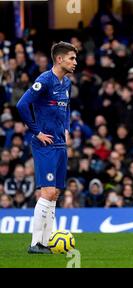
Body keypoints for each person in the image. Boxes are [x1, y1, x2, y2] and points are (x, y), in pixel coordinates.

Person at [17, 41, 77, 254]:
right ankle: (36, 243)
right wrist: (37, 132)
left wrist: (67, 128)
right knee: (47, 191)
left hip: (60, 144)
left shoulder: (67, 83)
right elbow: (22, 105)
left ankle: (46, 242)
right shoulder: (44, 80)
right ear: (59, 59)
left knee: (55, 194)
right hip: (45, 145)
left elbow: (67, 109)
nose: (75, 62)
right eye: (71, 58)